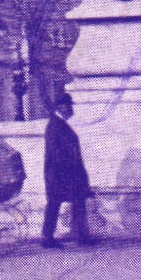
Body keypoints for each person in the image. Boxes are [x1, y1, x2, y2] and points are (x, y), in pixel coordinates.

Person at [42, 93, 95, 248]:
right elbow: (56, 153)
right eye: (69, 106)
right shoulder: (55, 126)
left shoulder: (59, 124)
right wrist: (69, 172)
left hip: (65, 173)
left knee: (74, 202)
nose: (71, 109)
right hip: (61, 173)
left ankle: (80, 235)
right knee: (56, 204)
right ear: (62, 107)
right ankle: (48, 237)